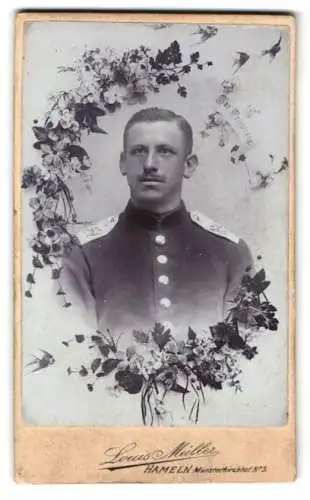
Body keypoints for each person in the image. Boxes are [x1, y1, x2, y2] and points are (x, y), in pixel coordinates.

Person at [62, 107, 253, 338]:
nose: (150, 163)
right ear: (123, 163)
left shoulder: (231, 254)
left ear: (189, 165)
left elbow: (248, 356)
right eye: (139, 151)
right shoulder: (82, 255)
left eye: (165, 151)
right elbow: (72, 351)